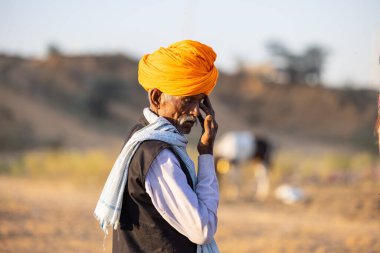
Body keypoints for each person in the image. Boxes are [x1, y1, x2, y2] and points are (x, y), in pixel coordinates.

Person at [94, 40, 220, 253]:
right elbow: (202, 229)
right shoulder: (158, 156)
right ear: (156, 97)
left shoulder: (141, 135)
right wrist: (206, 155)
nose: (194, 112)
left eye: (200, 103)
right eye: (187, 100)